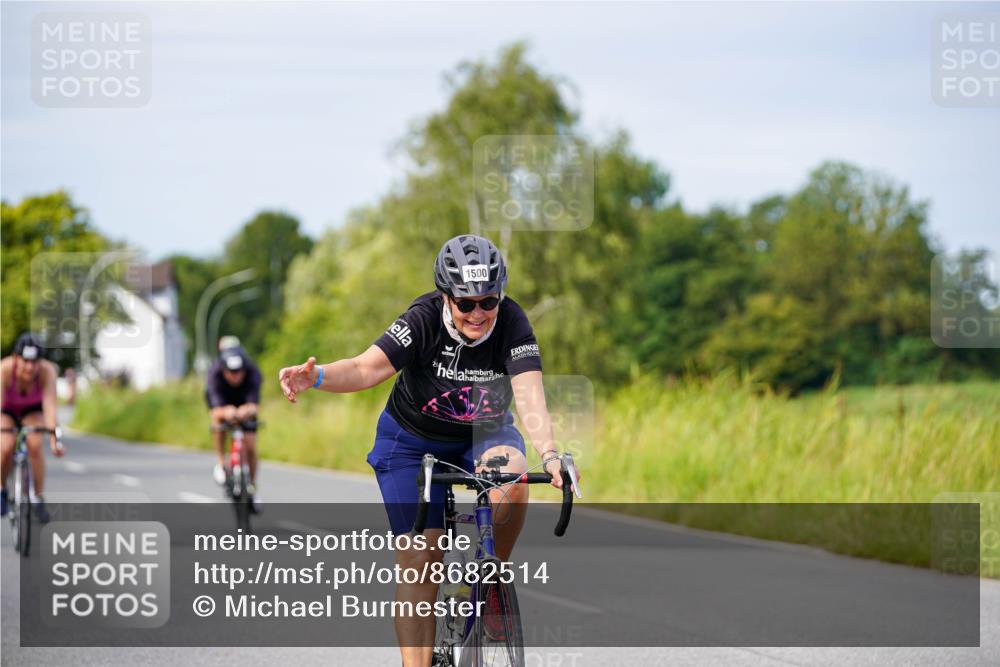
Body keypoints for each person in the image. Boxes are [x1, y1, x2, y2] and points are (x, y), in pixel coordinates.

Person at [278, 234, 573, 667]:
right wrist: (317, 376)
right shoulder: (421, 320)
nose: (478, 313)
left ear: (500, 296)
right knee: (421, 558)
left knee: (512, 479)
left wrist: (548, 453)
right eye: (465, 303)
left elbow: (529, 396)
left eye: (487, 301)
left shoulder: (511, 322)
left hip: (482, 433)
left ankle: (492, 582)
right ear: (445, 296)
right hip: (411, 443)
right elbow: (365, 367)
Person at [1, 333, 64, 521]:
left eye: (35, 361)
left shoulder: (48, 372)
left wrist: (55, 440)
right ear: (16, 358)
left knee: (35, 444)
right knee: (5, 445)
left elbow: (50, 408)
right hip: (7, 410)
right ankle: (1, 488)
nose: (30, 367)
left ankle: (36, 497)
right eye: (25, 361)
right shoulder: (4, 369)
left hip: (32, 411)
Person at [205, 343, 261, 510]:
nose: (236, 376)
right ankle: (222, 462)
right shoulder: (214, 375)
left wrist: (247, 410)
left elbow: (255, 405)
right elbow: (214, 411)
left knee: (251, 445)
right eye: (232, 372)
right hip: (223, 403)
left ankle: (252, 486)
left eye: (239, 372)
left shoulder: (253, 373)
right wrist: (226, 411)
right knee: (218, 424)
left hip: (245, 404)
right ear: (223, 370)